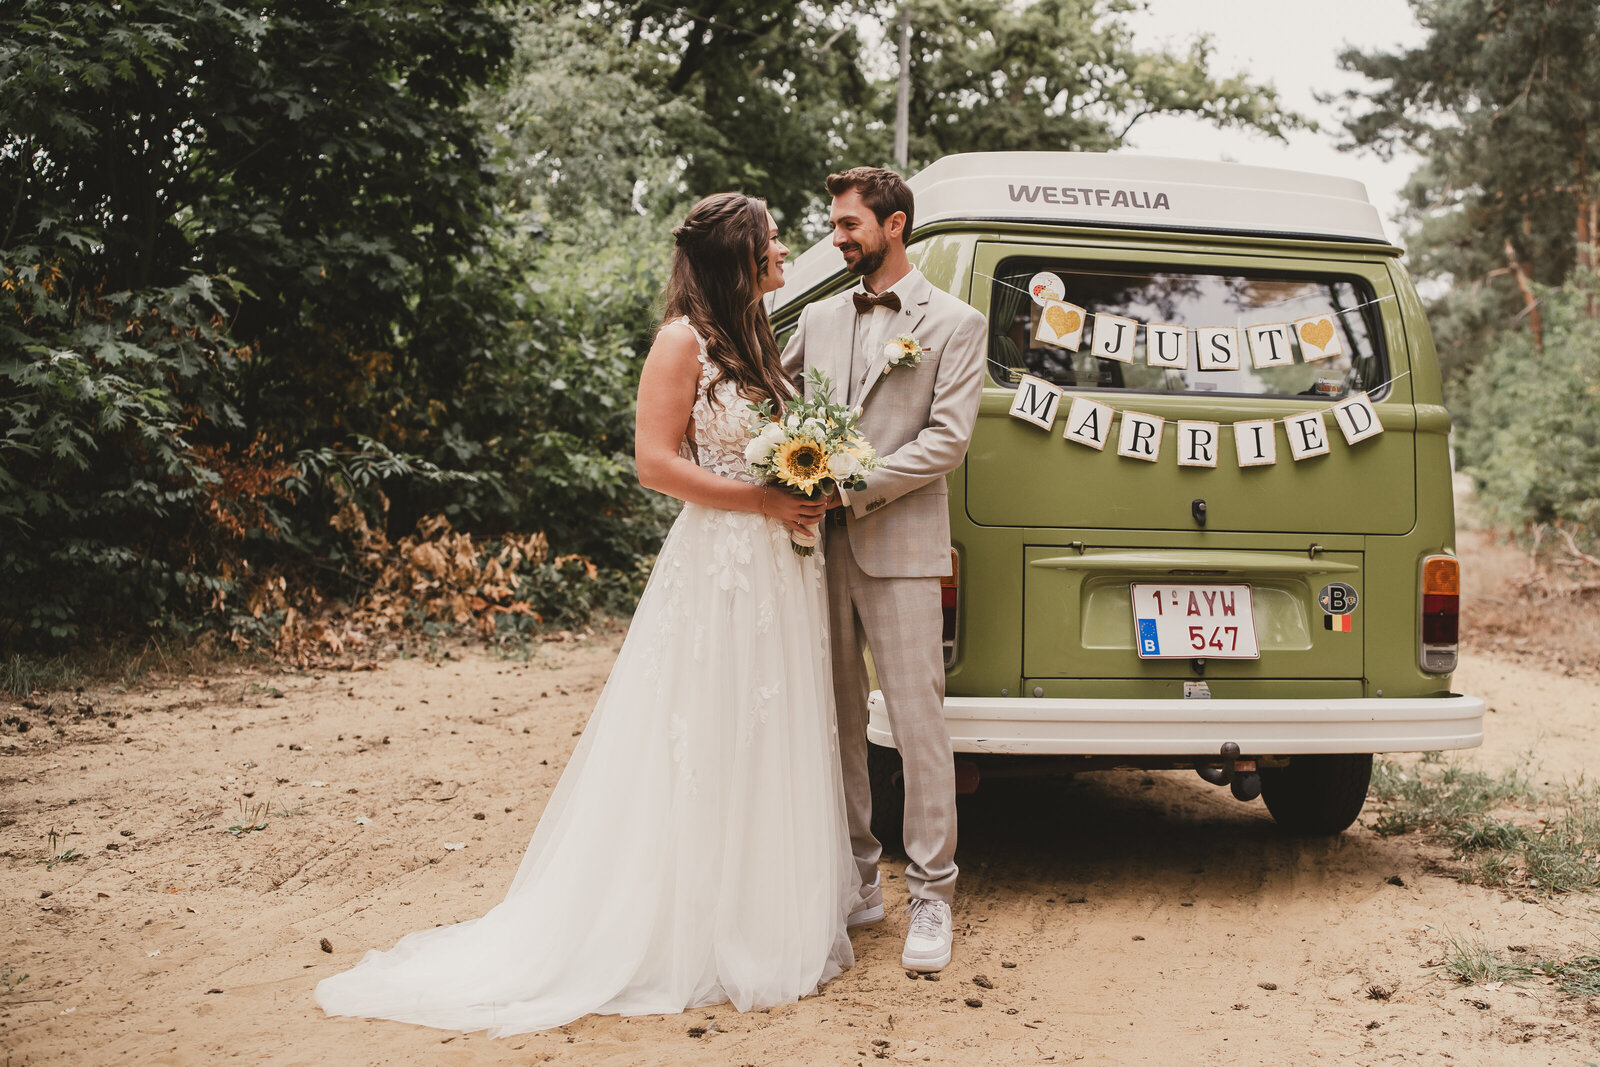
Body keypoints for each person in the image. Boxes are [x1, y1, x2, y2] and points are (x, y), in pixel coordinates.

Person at [315, 193, 855, 1037]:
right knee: (703, 734)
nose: (786, 249)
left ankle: (758, 914)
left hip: (776, 570)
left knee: (766, 733)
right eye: (773, 240)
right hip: (718, 561)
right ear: (737, 257)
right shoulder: (683, 340)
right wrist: (760, 498)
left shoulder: (755, 338)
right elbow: (653, 463)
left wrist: (807, 485)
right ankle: (679, 924)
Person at [781, 166, 986, 974]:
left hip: (899, 548)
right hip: (815, 548)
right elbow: (779, 396)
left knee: (916, 724)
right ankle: (858, 881)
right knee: (834, 718)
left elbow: (947, 442)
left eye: (848, 224)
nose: (836, 238)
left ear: (894, 224)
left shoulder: (956, 324)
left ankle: (932, 891)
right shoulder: (822, 315)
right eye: (834, 224)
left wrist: (848, 485)